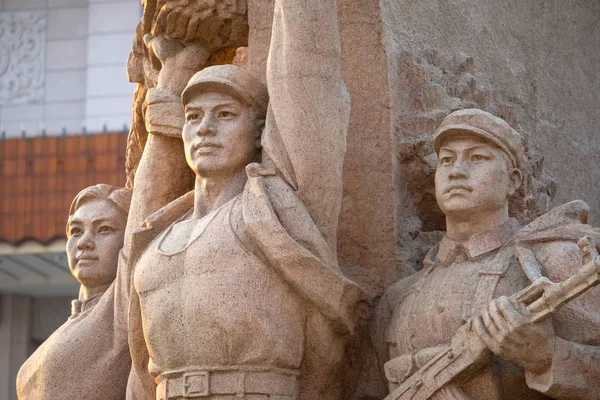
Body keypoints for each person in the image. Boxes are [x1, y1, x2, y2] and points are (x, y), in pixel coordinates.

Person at [123, 0, 365, 398]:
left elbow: (307, 70)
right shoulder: (156, 238)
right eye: (193, 117)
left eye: (224, 114)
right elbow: (139, 366)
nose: (204, 128)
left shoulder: (273, 206)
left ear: (259, 133)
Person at [376, 109, 600, 399]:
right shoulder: (397, 299)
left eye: (477, 157)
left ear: (513, 181)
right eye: (446, 160)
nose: (456, 171)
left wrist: (545, 355)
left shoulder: (553, 261)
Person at [17, 184, 132, 400]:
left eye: (104, 229)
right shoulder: (68, 326)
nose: (84, 243)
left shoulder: (121, 306)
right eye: (76, 231)